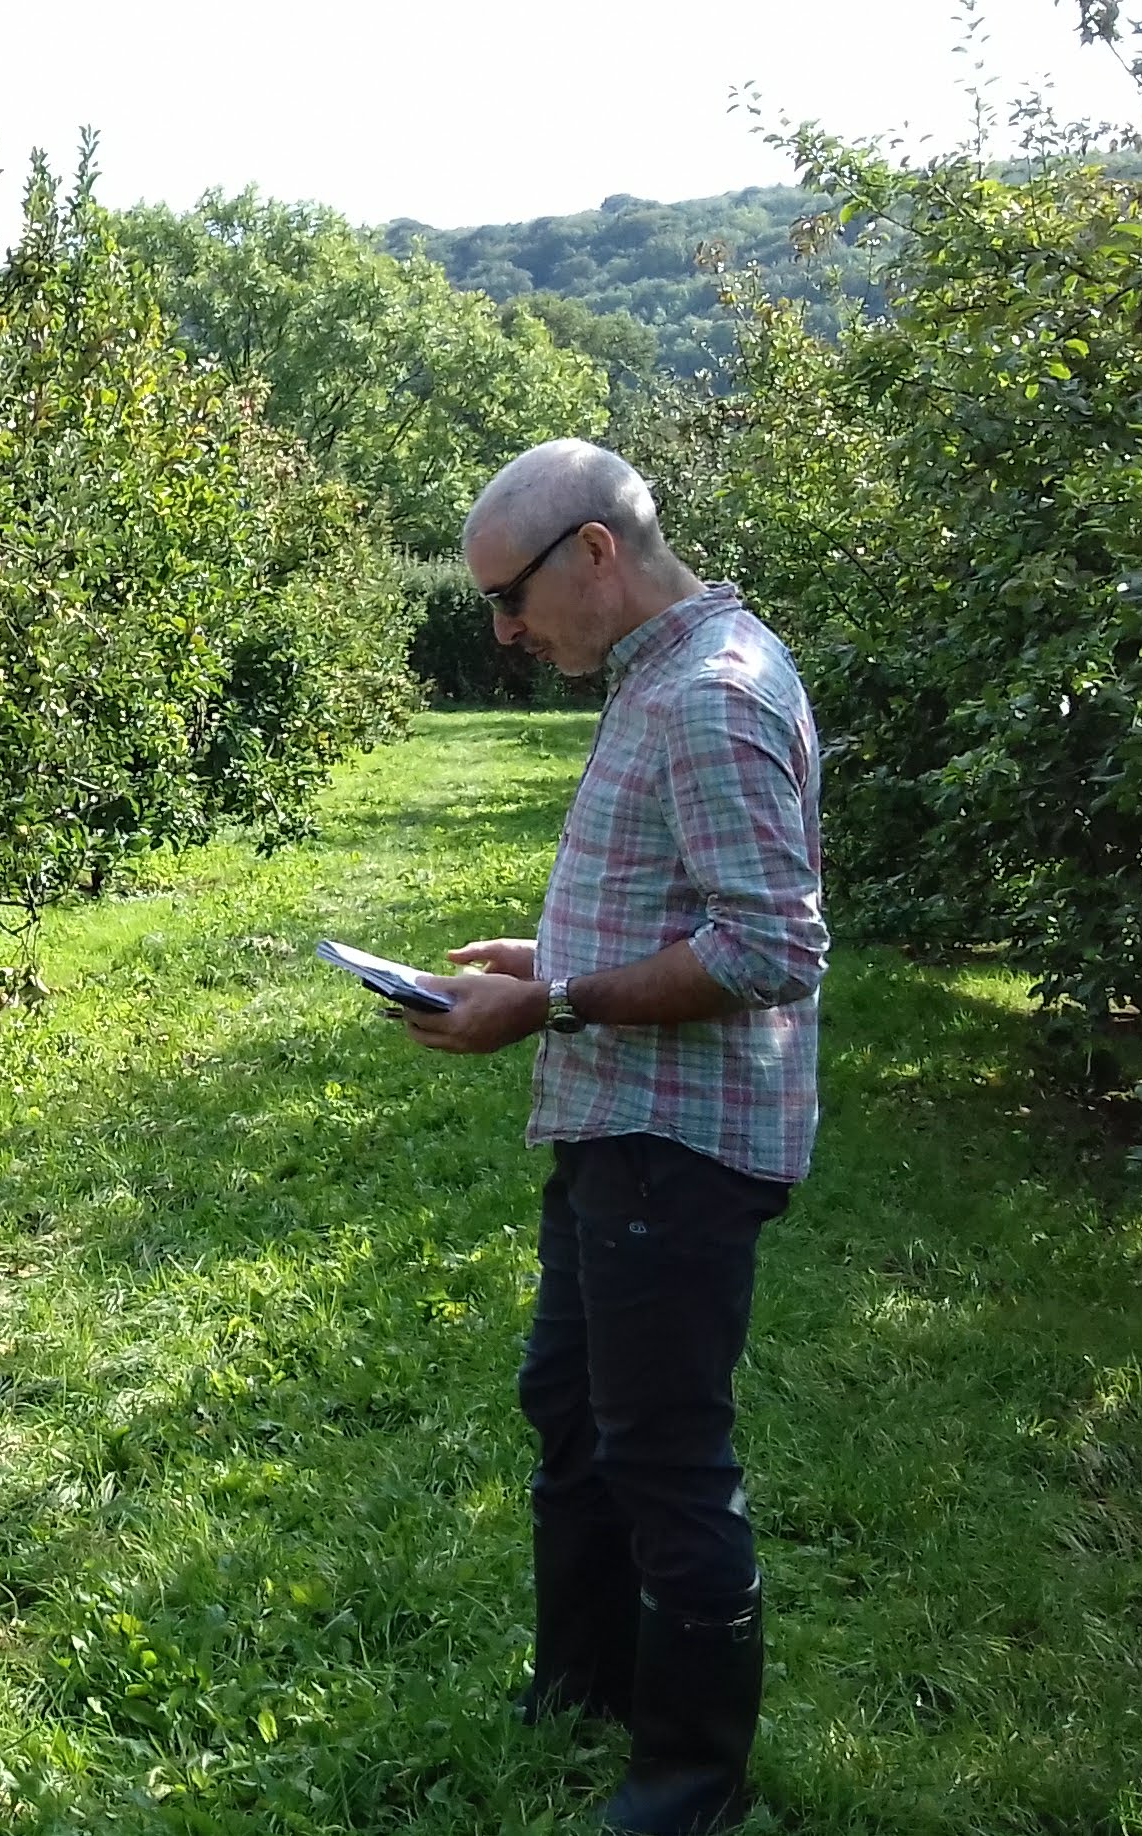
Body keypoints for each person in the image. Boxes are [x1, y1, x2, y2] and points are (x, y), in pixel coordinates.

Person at [400, 440, 825, 1835]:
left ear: (594, 551)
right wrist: (554, 950)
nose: (507, 633)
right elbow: (695, 897)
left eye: (513, 600)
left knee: (665, 1453)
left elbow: (770, 945)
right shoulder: (665, 680)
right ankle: (581, 1689)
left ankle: (688, 1782)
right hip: (620, 1125)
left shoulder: (709, 696)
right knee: (573, 1416)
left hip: (677, 1146)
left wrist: (551, 1000)